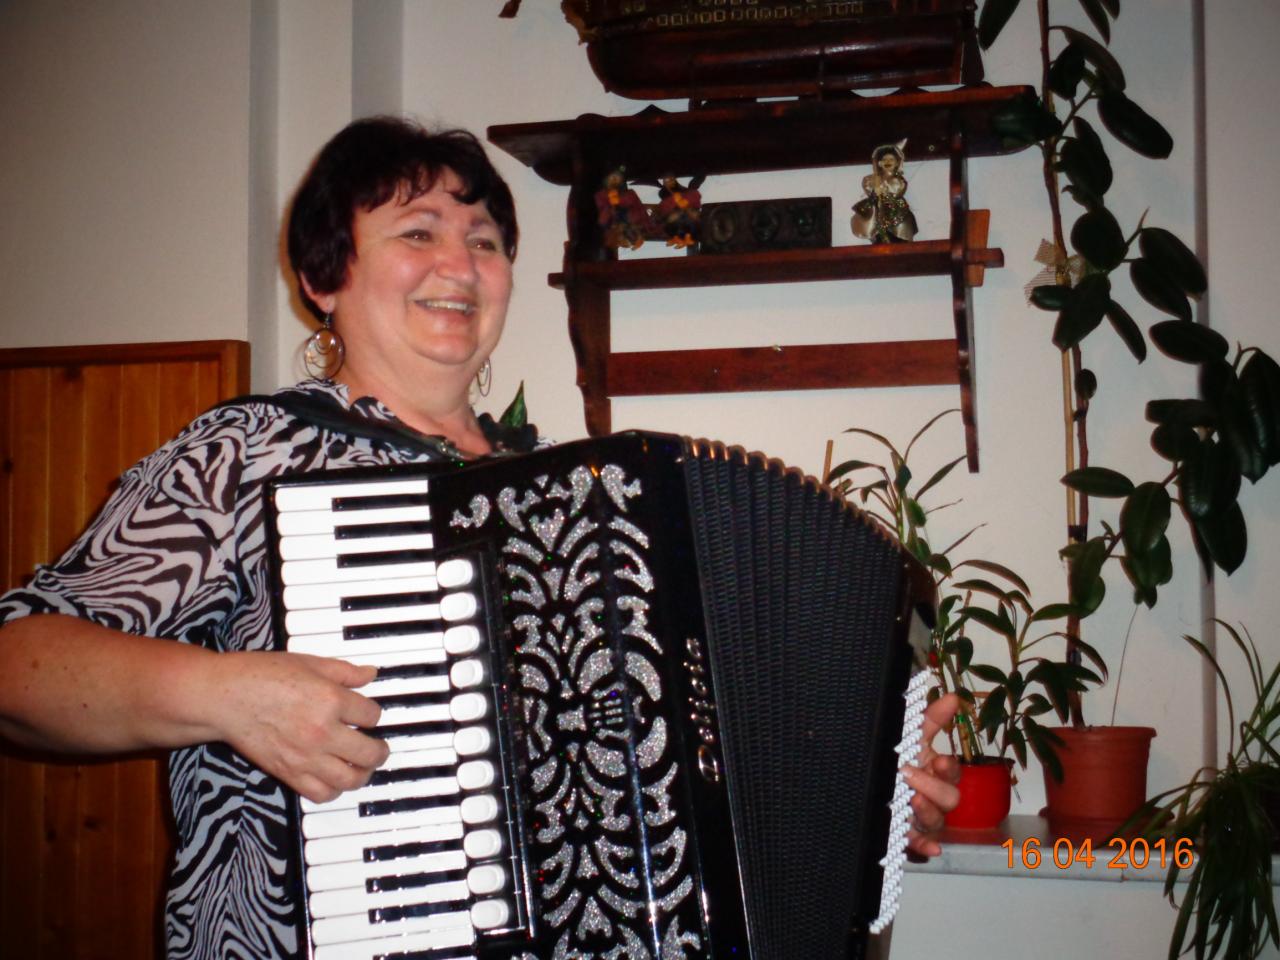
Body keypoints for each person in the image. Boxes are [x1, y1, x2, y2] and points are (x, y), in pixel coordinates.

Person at [0, 117, 959, 959]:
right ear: (324, 276)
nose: (460, 267)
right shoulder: (245, 455)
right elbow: (17, 664)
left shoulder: (580, 501)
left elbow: (663, 769)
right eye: (418, 232)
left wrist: (868, 794)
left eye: (486, 241)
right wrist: (226, 695)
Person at [851, 141, 919, 244]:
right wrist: (875, 191)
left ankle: (897, 238)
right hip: (879, 208)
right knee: (877, 224)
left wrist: (885, 189)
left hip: (895, 207)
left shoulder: (899, 181)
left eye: (891, 159)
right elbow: (869, 190)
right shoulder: (870, 179)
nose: (888, 161)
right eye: (884, 159)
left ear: (897, 163)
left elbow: (898, 191)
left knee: (901, 223)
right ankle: (880, 237)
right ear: (879, 163)